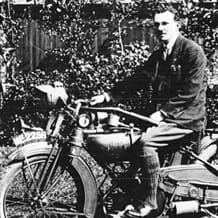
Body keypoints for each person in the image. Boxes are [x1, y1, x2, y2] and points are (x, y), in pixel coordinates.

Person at [91, 2, 207, 218]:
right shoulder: (159, 55)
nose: (160, 28)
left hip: (186, 118)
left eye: (165, 23)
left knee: (147, 142)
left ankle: (150, 202)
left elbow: (190, 92)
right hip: (168, 116)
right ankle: (133, 190)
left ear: (177, 25)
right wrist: (109, 95)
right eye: (156, 25)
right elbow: (138, 78)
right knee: (131, 136)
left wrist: (162, 113)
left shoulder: (192, 51)